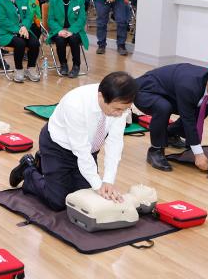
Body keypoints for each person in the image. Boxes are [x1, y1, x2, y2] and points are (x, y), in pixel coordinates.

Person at [9, 72, 137, 210]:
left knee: (81, 198)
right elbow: (81, 151)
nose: (120, 114)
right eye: (117, 109)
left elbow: (115, 144)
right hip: (57, 147)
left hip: (88, 150)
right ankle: (28, 170)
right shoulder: (76, 104)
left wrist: (108, 181)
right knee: (58, 202)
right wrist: (98, 184)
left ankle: (43, 162)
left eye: (124, 110)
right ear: (101, 96)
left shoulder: (120, 107)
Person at [134, 64, 208, 172]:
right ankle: (155, 149)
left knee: (203, 106)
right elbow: (187, 118)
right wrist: (198, 154)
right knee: (163, 107)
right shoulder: (189, 86)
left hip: (169, 93)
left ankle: (170, 134)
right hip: (145, 91)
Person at [0, 0, 40, 82]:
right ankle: (19, 70)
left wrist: (24, 27)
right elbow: (3, 21)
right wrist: (19, 29)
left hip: (23, 30)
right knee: (20, 43)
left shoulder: (23, 0)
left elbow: (29, 16)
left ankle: (31, 68)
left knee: (35, 43)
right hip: (6, 33)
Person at [47, 0, 87, 78]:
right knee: (60, 39)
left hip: (75, 31)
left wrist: (71, 30)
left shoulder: (80, 1)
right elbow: (50, 20)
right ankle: (63, 65)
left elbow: (82, 19)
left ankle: (76, 66)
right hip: (59, 30)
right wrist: (59, 30)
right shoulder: (53, 2)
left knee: (73, 38)